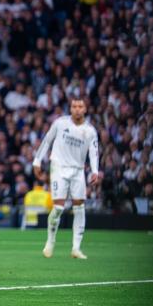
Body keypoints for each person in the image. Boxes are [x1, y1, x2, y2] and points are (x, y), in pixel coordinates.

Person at [33, 97, 100, 259]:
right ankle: (50, 241)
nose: (77, 109)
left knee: (79, 206)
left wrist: (95, 171)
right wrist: (37, 160)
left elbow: (94, 152)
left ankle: (76, 248)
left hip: (78, 170)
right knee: (59, 208)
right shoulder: (60, 123)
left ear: (85, 109)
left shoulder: (90, 131)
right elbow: (47, 140)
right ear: (70, 109)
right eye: (74, 106)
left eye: (80, 106)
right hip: (59, 167)